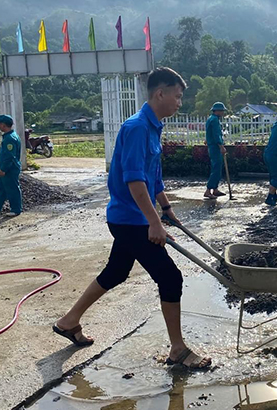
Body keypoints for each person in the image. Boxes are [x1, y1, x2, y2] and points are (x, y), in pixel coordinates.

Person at [53, 67, 212, 369]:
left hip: (134, 217)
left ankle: (68, 321)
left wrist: (165, 210)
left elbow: (153, 175)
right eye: (177, 97)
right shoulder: (138, 127)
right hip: (130, 219)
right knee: (170, 276)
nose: (180, 103)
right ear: (159, 93)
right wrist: (153, 222)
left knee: (116, 272)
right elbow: (135, 181)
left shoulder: (153, 127)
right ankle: (178, 349)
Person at [0, 115, 22, 216]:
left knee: (12, 188)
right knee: (1, 188)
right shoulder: (11, 136)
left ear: (3, 125)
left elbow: (9, 156)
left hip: (10, 168)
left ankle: (16, 209)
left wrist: (3, 169)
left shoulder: (9, 139)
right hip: (8, 167)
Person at [204, 102, 227, 199]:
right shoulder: (214, 120)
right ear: (217, 111)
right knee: (216, 168)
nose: (222, 113)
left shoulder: (211, 119)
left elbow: (209, 133)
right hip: (215, 147)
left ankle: (215, 189)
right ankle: (208, 190)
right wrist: (221, 146)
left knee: (217, 167)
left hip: (212, 146)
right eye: (221, 111)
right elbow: (217, 134)